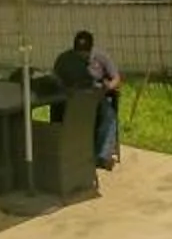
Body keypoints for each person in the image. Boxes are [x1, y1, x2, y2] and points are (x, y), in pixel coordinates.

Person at [52, 30, 123, 169]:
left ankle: (102, 156)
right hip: (72, 97)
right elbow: (56, 77)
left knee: (109, 116)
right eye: (79, 52)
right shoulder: (65, 59)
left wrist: (108, 86)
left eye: (85, 52)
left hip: (95, 96)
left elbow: (116, 78)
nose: (82, 55)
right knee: (58, 110)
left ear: (91, 49)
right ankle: (63, 148)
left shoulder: (101, 57)